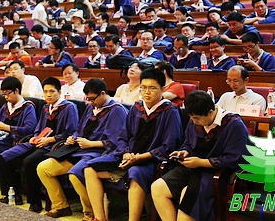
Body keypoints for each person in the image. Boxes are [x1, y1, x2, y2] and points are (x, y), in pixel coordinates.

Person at [83, 68, 183, 221]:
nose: (147, 92)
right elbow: (122, 136)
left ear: (162, 89)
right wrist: (125, 153)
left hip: (151, 161)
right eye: (143, 87)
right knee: (89, 169)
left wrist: (139, 158)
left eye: (152, 88)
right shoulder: (137, 108)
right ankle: (100, 218)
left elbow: (169, 145)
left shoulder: (170, 111)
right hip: (127, 156)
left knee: (135, 173)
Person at [37, 79, 127, 219]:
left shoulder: (117, 110)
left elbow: (117, 142)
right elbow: (79, 130)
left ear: (102, 93)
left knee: (75, 175)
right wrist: (72, 138)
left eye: (93, 99)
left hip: (97, 153)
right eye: (88, 99)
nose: (90, 102)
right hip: (78, 150)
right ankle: (61, 207)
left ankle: (90, 213)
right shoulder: (90, 108)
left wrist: (91, 144)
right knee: (43, 168)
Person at [151, 91, 249, 221]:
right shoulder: (194, 120)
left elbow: (235, 159)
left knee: (188, 194)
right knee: (157, 187)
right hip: (193, 167)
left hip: (217, 173)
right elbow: (188, 143)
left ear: (210, 112)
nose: (193, 121)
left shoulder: (233, 124)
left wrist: (201, 162)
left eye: (196, 118)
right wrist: (184, 151)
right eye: (191, 117)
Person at [0, 77, 79, 213]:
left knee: (29, 161)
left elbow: (70, 132)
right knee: (5, 157)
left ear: (59, 92)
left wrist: (49, 140)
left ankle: (35, 202)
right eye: (45, 92)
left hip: (54, 146)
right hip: (38, 143)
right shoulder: (46, 107)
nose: (48, 95)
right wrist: (34, 137)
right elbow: (38, 128)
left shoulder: (69, 108)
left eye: (52, 91)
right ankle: (13, 194)